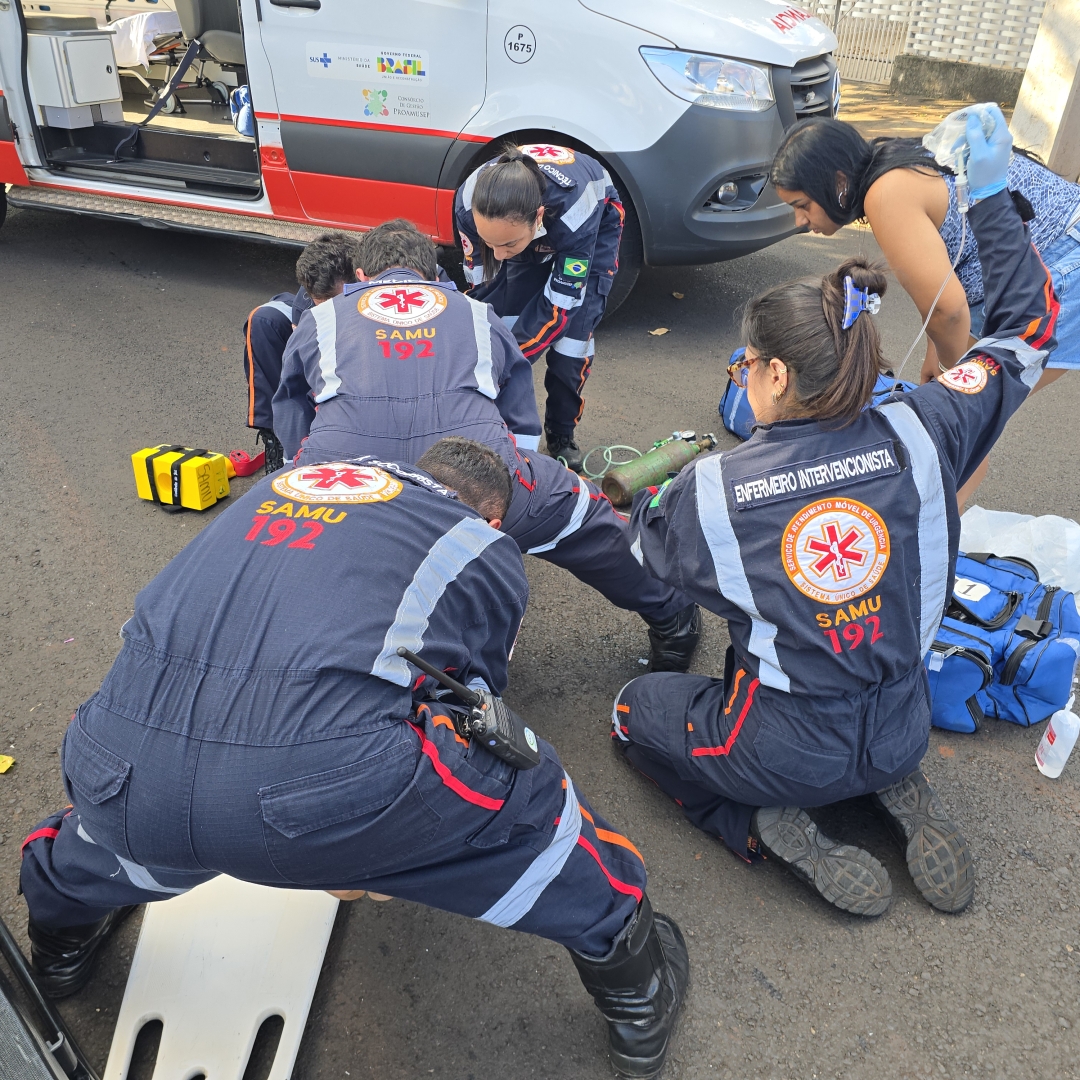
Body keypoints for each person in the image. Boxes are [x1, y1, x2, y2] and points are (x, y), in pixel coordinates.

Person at [19, 437, 689, 1079]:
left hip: (113, 759)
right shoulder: (481, 542)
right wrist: (371, 848)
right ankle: (635, 988)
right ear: (492, 513)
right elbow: (469, 696)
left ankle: (58, 944)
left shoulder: (275, 489)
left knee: (144, 810)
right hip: (310, 790)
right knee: (530, 795)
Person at [612, 113, 1058, 917]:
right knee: (864, 705)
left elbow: (642, 555)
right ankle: (888, 780)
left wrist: (645, 491)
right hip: (901, 723)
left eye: (744, 364)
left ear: (776, 374)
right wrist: (989, 194)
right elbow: (1027, 331)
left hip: (784, 749)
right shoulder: (929, 425)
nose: (741, 374)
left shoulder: (715, 490)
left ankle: (751, 823)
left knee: (633, 714)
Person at [273, 218, 701, 673]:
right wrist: (521, 489)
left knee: (300, 552)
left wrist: (301, 485)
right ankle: (672, 618)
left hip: (348, 488)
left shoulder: (319, 319)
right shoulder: (478, 315)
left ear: (360, 275)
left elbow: (291, 416)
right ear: (434, 275)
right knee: (582, 515)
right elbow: (519, 422)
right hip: (470, 484)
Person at [769, 108, 1078, 504]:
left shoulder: (885, 195)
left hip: (1064, 263)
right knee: (962, 418)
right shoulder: (891, 167)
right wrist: (939, 352)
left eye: (802, 204)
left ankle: (929, 546)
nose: (799, 220)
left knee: (969, 418)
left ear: (840, 183)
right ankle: (931, 528)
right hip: (1036, 260)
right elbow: (942, 279)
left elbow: (949, 310)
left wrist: (955, 377)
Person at [454, 144, 624, 473]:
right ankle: (493, 422)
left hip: (592, 230)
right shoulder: (466, 202)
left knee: (571, 344)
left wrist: (506, 362)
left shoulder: (576, 213)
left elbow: (560, 308)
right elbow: (481, 289)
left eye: (507, 246)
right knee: (501, 318)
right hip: (523, 227)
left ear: (539, 218)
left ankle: (561, 433)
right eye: (489, 243)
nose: (498, 255)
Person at [242, 233, 361, 472]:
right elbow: (298, 372)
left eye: (334, 302)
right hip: (321, 351)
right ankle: (274, 437)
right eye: (320, 303)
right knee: (265, 320)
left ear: (360, 277)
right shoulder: (310, 295)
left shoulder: (377, 282)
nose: (326, 309)